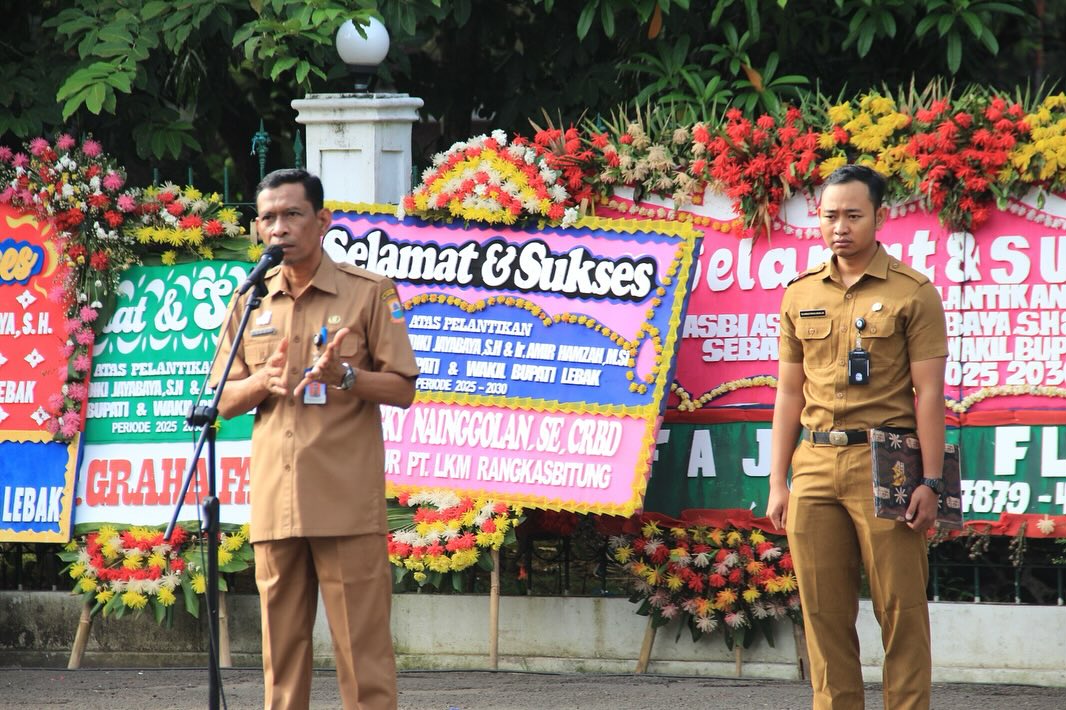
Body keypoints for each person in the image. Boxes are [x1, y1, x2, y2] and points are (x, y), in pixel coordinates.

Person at [212, 168, 419, 710]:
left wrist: (344, 377)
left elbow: (402, 389)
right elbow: (217, 399)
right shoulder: (249, 299)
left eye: (292, 214)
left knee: (363, 659)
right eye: (267, 218)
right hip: (276, 506)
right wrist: (262, 382)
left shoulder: (368, 293)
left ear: (322, 221)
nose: (278, 228)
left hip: (345, 505)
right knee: (280, 663)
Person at [766, 164, 947, 710]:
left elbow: (930, 394)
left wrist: (931, 481)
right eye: (829, 216)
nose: (839, 227)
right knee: (823, 613)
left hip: (888, 464)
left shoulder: (914, 293)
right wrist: (780, 481)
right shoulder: (799, 295)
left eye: (852, 215)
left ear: (879, 216)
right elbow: (788, 394)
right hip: (816, 464)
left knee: (901, 611)